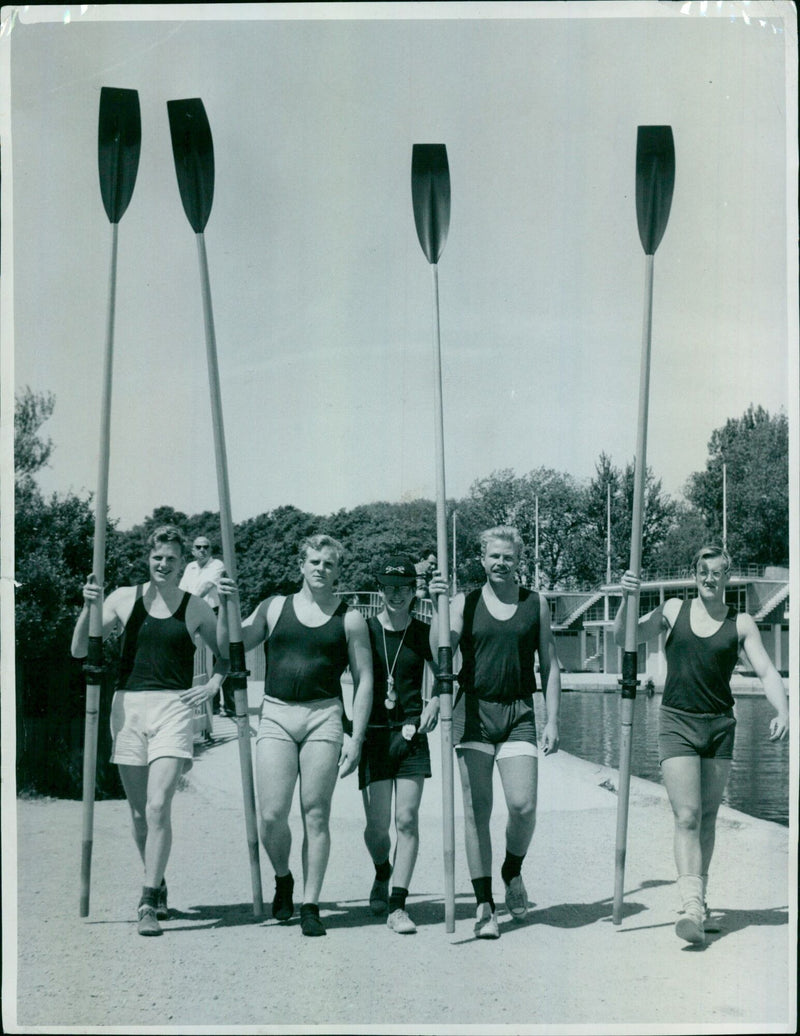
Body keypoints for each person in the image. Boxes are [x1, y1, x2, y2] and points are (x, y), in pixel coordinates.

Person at [614, 545, 789, 946]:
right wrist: (628, 598)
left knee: (708, 816)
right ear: (694, 574)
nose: (710, 578)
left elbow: (766, 670)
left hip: (720, 726)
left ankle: (699, 900)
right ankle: (691, 904)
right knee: (687, 816)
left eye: (718, 572)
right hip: (677, 721)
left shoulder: (741, 622)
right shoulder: (674, 610)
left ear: (728, 577)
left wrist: (783, 711)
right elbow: (625, 636)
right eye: (703, 571)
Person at [71, 524, 227, 937]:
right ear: (149, 558)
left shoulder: (195, 608)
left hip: (174, 708)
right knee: (139, 813)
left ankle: (146, 901)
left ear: (182, 564)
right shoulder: (124, 598)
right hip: (128, 708)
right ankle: (157, 882)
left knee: (159, 807)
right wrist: (89, 607)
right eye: (158, 557)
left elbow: (227, 657)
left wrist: (212, 685)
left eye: (172, 559)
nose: (164, 564)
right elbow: (80, 649)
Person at [218, 534, 373, 937]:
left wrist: (356, 738)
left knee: (315, 812)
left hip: (324, 716)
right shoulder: (274, 607)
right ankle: (283, 876)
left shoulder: (350, 618)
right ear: (300, 565)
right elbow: (231, 645)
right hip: (277, 714)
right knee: (271, 815)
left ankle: (310, 903)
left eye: (329, 564)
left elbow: (365, 678)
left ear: (338, 571)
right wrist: (226, 606)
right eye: (314, 562)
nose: (320, 569)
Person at [428, 525, 561, 939]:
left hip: (519, 710)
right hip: (473, 711)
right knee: (476, 811)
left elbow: (551, 664)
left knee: (523, 806)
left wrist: (553, 719)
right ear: (482, 559)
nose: (501, 563)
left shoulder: (534, 603)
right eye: (494, 556)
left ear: (519, 561)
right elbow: (440, 650)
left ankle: (512, 870)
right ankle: (484, 903)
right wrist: (436, 604)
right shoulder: (463, 602)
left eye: (509, 557)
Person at [360, 556, 440, 934]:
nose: (396, 594)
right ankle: (382, 870)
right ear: (380, 589)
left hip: (411, 735)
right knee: (377, 828)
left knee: (406, 820)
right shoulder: (364, 630)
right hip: (374, 734)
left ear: (413, 592)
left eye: (404, 588)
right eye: (389, 587)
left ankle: (398, 905)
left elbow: (448, 669)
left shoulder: (423, 631)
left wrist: (437, 699)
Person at [179, 536, 231, 716]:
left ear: (210, 550)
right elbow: (182, 590)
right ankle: (212, 706)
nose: (202, 550)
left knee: (222, 656)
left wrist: (186, 607)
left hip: (213, 613)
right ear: (192, 550)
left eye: (206, 547)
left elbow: (206, 587)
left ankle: (230, 706)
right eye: (198, 547)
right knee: (196, 656)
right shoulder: (190, 568)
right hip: (193, 612)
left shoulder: (217, 565)